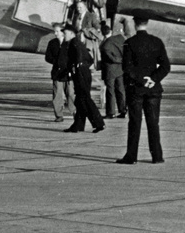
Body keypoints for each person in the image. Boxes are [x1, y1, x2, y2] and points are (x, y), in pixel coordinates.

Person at [117, 16, 171, 164]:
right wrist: (153, 79)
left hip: (136, 89)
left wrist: (141, 79)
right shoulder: (156, 42)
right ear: (147, 23)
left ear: (135, 24)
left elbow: (127, 68)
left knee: (135, 122)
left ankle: (131, 156)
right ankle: (157, 156)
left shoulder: (130, 43)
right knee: (153, 123)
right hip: (153, 89)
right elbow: (166, 66)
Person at [63, 24, 104, 133]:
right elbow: (89, 59)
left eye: (65, 33)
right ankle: (78, 125)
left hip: (80, 75)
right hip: (83, 74)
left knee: (84, 99)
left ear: (71, 33)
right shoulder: (76, 43)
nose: (64, 35)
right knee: (80, 100)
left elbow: (79, 57)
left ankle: (99, 123)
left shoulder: (74, 43)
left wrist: (78, 66)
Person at [44, 23, 74, 122]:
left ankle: (74, 112)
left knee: (70, 93)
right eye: (55, 31)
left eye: (57, 31)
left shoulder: (69, 43)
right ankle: (59, 115)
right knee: (57, 95)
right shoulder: (52, 43)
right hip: (57, 73)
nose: (55, 33)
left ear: (63, 31)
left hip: (68, 73)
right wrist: (56, 62)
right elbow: (47, 57)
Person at [100, 21, 127, 119]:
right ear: (110, 31)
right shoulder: (120, 38)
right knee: (121, 90)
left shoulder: (105, 45)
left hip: (110, 70)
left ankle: (111, 112)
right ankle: (123, 110)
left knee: (110, 91)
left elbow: (112, 59)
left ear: (102, 33)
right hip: (120, 70)